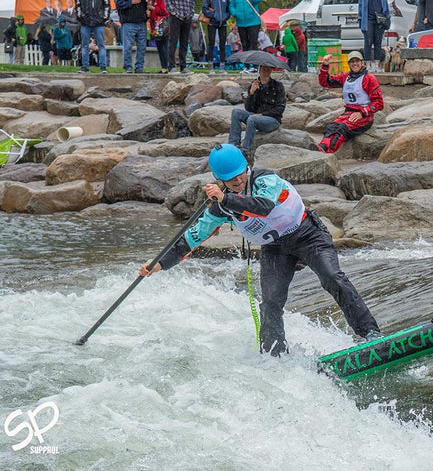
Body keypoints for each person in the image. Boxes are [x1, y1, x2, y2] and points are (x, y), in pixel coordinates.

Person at [139, 144, 383, 357]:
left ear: (246, 166)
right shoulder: (219, 208)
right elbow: (191, 238)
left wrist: (225, 199)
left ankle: (370, 334)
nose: (237, 181)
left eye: (240, 174)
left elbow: (263, 206)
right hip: (275, 249)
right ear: (218, 179)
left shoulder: (265, 179)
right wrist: (160, 262)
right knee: (271, 302)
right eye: (230, 179)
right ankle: (275, 358)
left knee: (332, 277)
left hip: (308, 235)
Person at [314, 51, 384, 154]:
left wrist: (362, 113)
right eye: (352, 62)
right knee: (331, 127)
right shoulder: (345, 77)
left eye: (357, 61)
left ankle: (327, 152)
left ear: (362, 62)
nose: (355, 64)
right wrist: (325, 65)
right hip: (348, 113)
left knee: (343, 128)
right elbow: (326, 82)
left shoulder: (369, 79)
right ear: (349, 64)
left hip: (364, 116)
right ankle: (322, 146)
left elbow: (379, 103)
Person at [228, 65, 286, 156]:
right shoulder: (254, 84)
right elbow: (248, 108)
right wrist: (251, 93)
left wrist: (262, 114)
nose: (265, 72)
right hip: (257, 117)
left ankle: (245, 149)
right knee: (236, 112)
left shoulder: (278, 86)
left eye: (268, 70)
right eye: (263, 69)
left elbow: (280, 108)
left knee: (252, 119)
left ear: (271, 71)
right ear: (259, 70)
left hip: (272, 120)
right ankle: (233, 144)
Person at [75, 0, 110, 73]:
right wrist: (81, 18)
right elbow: (78, 5)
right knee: (85, 45)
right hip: (86, 22)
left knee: (101, 45)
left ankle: (103, 66)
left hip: (98, 23)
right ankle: (85, 66)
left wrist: (104, 18)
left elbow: (107, 5)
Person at [115, 0, 148, 73]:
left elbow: (143, 3)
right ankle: (128, 67)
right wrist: (131, 2)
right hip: (128, 22)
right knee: (128, 46)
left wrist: (146, 12)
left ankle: (139, 67)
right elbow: (119, 4)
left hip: (141, 22)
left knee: (142, 46)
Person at [229, 0, 262, 73]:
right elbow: (231, 6)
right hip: (241, 23)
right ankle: (246, 66)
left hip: (253, 22)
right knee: (244, 44)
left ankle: (255, 66)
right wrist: (235, 13)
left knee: (253, 43)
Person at [358, 0, 390, 72]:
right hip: (368, 20)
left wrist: (387, 20)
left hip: (380, 20)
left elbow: (386, 7)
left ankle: (377, 65)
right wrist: (360, 19)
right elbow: (360, 7)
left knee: (378, 42)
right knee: (368, 41)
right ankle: (368, 65)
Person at [164, 0, 194, 73]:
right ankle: (171, 66)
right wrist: (172, 12)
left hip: (187, 16)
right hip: (175, 17)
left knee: (184, 42)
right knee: (173, 41)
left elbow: (192, 0)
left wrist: (191, 13)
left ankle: (183, 66)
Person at [202, 0, 231, 73]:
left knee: (223, 45)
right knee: (211, 43)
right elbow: (204, 8)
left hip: (223, 24)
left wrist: (225, 17)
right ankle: (211, 67)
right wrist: (213, 15)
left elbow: (229, 10)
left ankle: (222, 67)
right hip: (212, 23)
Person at [147, 0, 170, 74]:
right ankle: (163, 66)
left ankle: (167, 66)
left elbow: (165, 11)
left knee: (165, 46)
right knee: (159, 47)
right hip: (154, 26)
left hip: (162, 25)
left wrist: (153, 8)